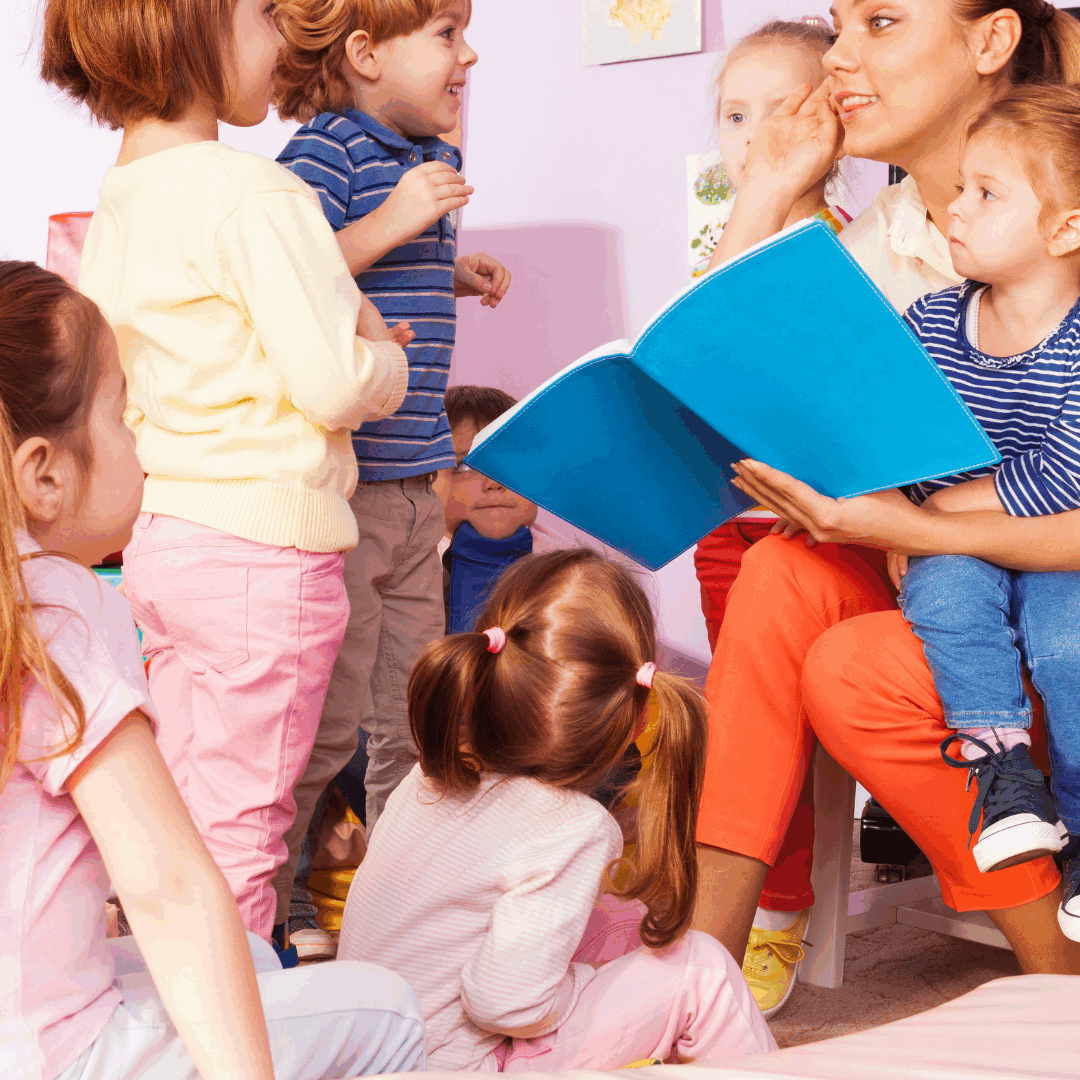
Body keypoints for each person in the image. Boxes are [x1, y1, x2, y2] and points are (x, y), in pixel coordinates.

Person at [691, 0, 1080, 981]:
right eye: (837, 24)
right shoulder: (894, 234)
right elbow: (727, 374)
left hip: (1057, 611)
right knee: (779, 571)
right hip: (958, 587)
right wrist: (770, 188)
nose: (841, 57)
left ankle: (1054, 971)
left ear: (991, 42)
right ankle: (702, 966)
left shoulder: (1065, 207)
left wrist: (915, 520)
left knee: (858, 667)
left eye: (880, 22)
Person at [40, 0, 412, 959]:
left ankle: (178, 1003)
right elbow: (333, 379)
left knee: (188, 809)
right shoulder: (253, 194)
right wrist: (387, 359)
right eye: (261, 12)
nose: (283, 35)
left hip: (169, 541)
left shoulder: (124, 191)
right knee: (247, 825)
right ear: (188, 26)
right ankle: (239, 1028)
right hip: (263, 547)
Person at [0, 260, 425, 1080]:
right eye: (124, 411)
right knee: (389, 1009)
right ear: (45, 474)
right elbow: (164, 885)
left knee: (254, 964)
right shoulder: (52, 604)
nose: (142, 434)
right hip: (56, 1056)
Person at [268, 0, 512, 949]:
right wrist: (394, 221)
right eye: (447, 34)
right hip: (352, 492)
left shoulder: (412, 159)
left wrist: (451, 270)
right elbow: (287, 276)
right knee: (327, 728)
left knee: (411, 720)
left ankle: (396, 909)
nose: (470, 53)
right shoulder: (323, 155)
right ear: (365, 53)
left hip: (420, 490)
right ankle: (275, 902)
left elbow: (378, 269)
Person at [335, 549, 777, 1070]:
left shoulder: (431, 776)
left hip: (372, 1054)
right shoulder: (575, 827)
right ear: (635, 722)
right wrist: (581, 985)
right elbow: (505, 1003)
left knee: (623, 922)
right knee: (702, 971)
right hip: (462, 1065)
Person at [690, 15, 853, 1018]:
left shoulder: (848, 246)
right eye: (733, 113)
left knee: (779, 720)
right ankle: (735, 900)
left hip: (813, 531)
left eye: (775, 110)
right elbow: (693, 359)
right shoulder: (729, 237)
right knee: (740, 724)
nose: (752, 134)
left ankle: (780, 911)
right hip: (728, 523)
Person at [893, 85, 1080, 927]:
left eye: (986, 193)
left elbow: (1066, 480)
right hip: (963, 550)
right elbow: (893, 448)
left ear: (1066, 229)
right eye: (959, 186)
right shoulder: (929, 323)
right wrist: (927, 519)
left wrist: (939, 509)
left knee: (1069, 644)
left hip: (1059, 549)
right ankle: (1005, 776)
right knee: (941, 591)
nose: (955, 208)